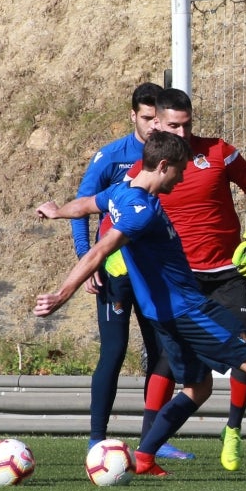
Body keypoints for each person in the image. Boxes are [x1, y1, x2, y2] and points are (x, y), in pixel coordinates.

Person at [33, 131, 246, 476]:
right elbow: (99, 251)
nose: (182, 177)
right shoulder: (140, 212)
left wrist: (56, 212)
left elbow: (86, 204)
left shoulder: (120, 193)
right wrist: (61, 295)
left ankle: (144, 457)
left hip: (164, 314)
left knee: (198, 388)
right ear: (163, 166)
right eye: (179, 171)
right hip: (188, 310)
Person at [128, 88, 246, 472]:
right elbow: (118, 213)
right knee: (167, 362)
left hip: (226, 273)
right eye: (173, 125)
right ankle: (149, 441)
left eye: (187, 124)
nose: (182, 132)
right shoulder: (145, 169)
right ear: (156, 123)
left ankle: (233, 429)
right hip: (179, 281)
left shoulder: (218, 152)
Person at [70, 82, 193, 460]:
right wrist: (84, 258)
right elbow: (84, 205)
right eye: (146, 118)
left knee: (161, 351)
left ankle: (152, 440)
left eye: (158, 118)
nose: (154, 125)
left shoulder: (167, 157)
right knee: (114, 351)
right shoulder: (111, 157)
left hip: (153, 275)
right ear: (134, 116)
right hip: (116, 271)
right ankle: (96, 437)